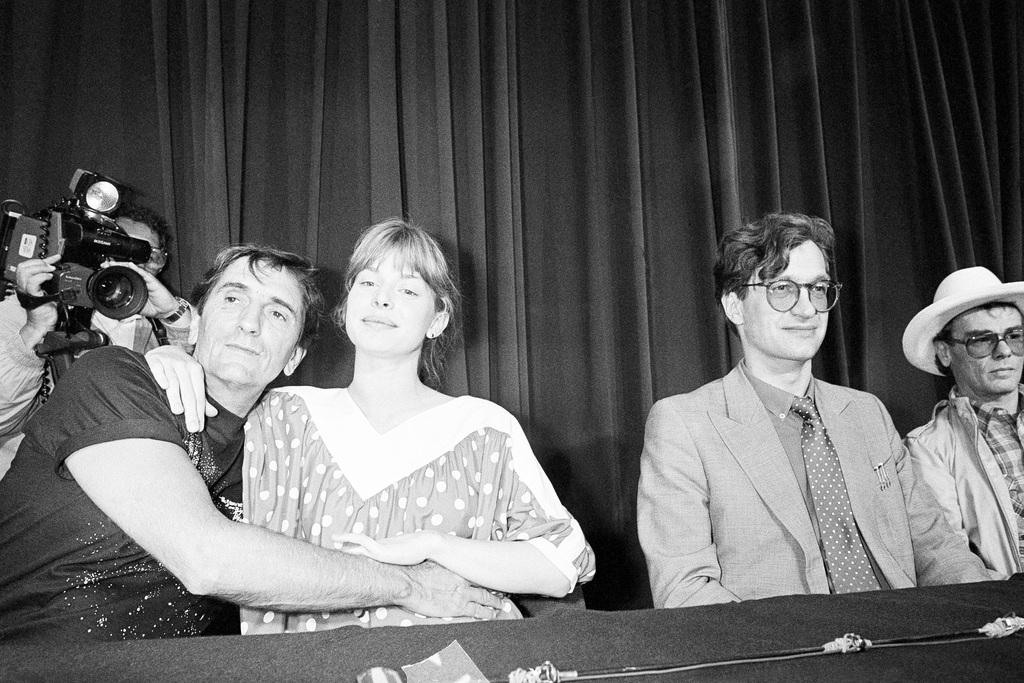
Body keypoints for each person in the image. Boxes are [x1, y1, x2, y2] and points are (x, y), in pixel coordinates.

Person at [0, 244, 503, 642]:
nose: (249, 322)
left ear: (293, 358)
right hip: (37, 660)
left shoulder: (278, 449)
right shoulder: (114, 378)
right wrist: (412, 587)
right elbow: (205, 558)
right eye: (233, 298)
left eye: (278, 314)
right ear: (197, 321)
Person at [153, 219, 595, 632]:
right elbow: (216, 388)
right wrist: (170, 354)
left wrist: (434, 545)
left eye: (407, 290)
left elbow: (564, 564)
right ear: (345, 311)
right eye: (368, 283)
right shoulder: (280, 412)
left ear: (438, 319)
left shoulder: (483, 428)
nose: (382, 299)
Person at [636, 212, 991, 608]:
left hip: (905, 639)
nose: (807, 309)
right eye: (782, 288)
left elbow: (937, 548)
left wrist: (993, 618)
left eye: (818, 288)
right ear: (734, 306)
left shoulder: (866, 413)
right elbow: (684, 589)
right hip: (787, 657)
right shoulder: (684, 424)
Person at [0, 203, 195, 480]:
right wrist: (35, 329)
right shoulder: (26, 308)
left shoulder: (150, 322)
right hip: (34, 489)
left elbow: (192, 408)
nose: (133, 264)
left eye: (147, 255)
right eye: (120, 249)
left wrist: (172, 315)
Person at [902, 266, 1024, 577]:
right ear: (945, 352)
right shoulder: (926, 449)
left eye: (1015, 335)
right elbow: (948, 558)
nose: (1005, 351)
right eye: (982, 340)